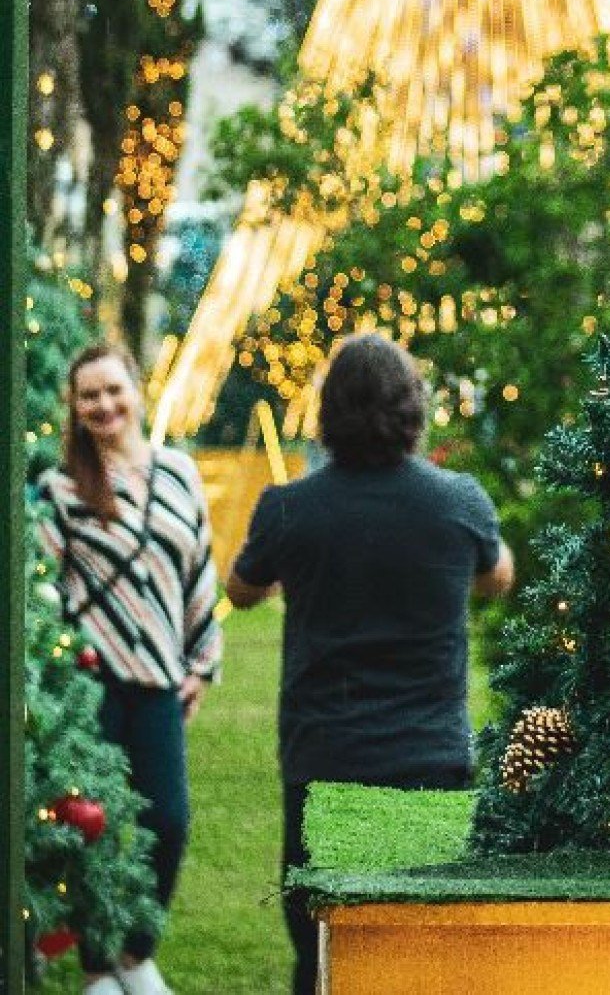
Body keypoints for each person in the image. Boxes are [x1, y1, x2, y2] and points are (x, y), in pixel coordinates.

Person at [227, 333, 514, 995]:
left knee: (325, 951)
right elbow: (497, 578)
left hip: (323, 762)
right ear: (412, 407)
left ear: (329, 412)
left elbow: (241, 592)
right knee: (423, 955)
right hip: (429, 761)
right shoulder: (458, 501)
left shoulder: (289, 509)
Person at [37, 342, 222, 995]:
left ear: (136, 391)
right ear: (75, 407)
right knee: (88, 826)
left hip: (160, 684)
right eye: (89, 396)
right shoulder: (60, 489)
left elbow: (199, 570)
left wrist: (201, 663)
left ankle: (137, 955)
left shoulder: (179, 474)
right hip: (89, 685)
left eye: (113, 390)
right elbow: (42, 589)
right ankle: (95, 970)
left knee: (167, 822)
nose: (103, 405)